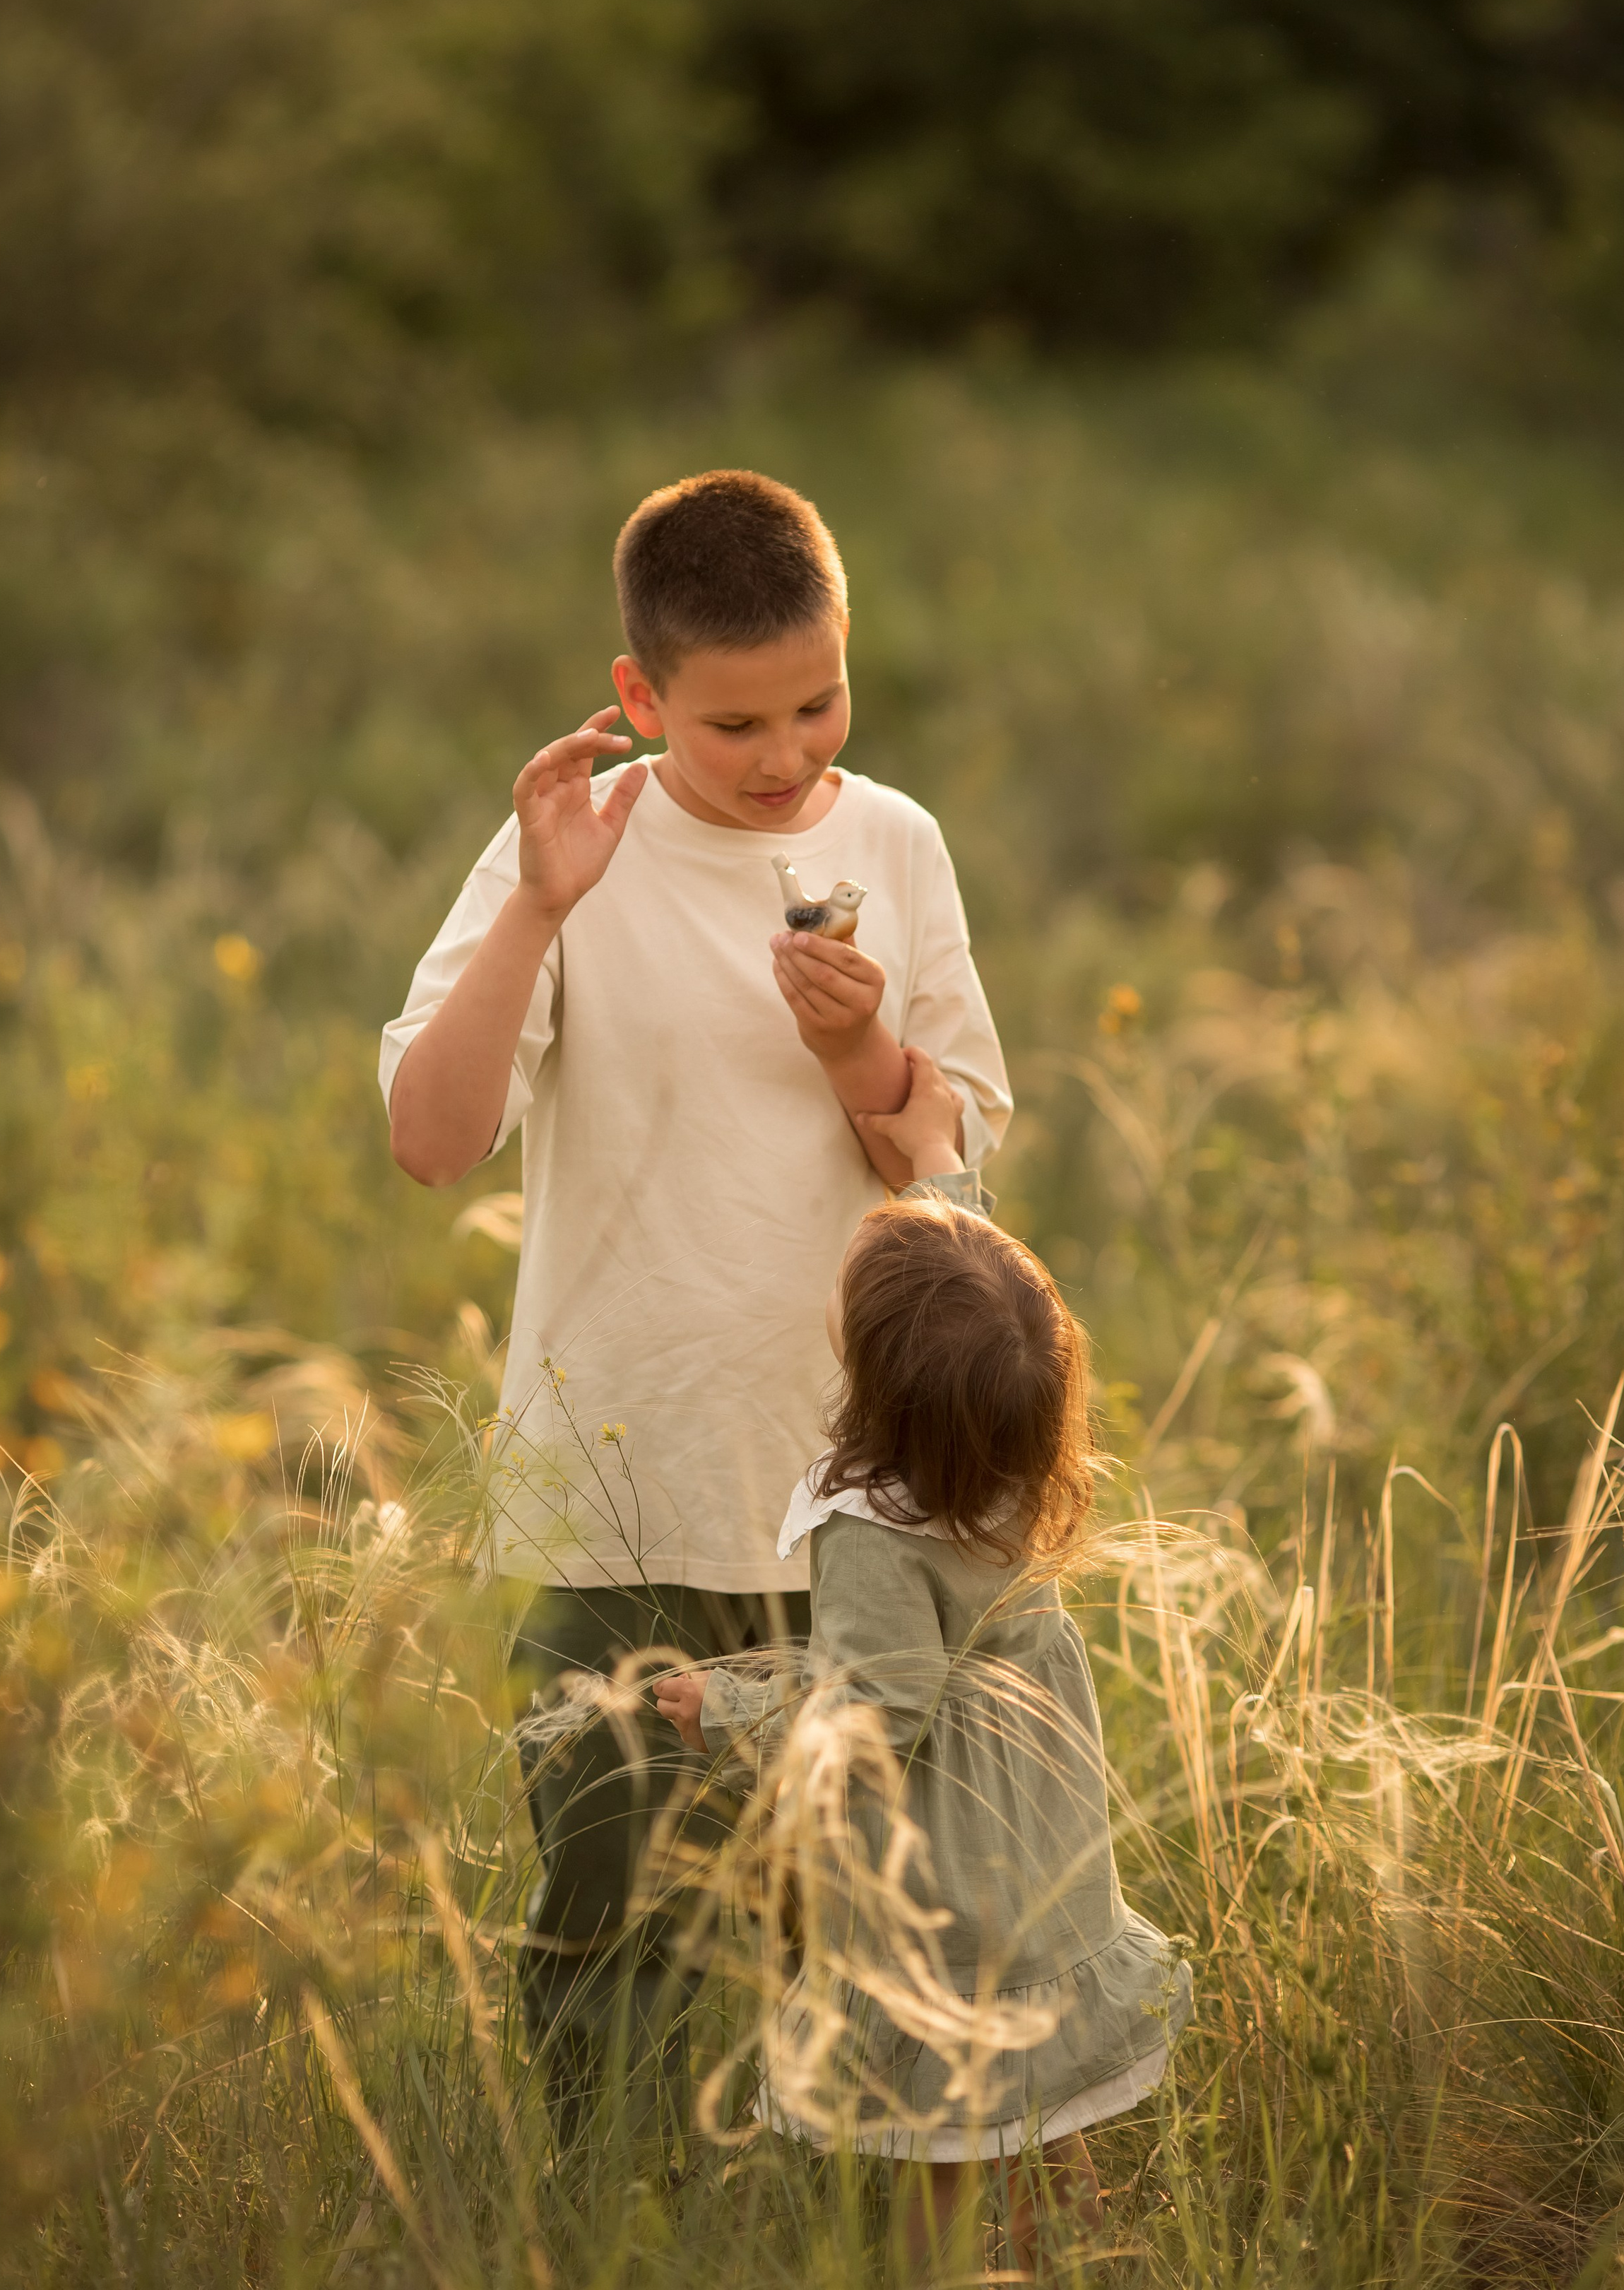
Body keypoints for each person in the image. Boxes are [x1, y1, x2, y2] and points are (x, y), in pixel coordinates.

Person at [379, 470, 1012, 2086]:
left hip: (854, 1502)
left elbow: (953, 1184)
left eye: (818, 703)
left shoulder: (895, 843)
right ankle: (611, 2205)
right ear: (640, 694)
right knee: (612, 1940)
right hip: (619, 1503)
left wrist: (860, 1052)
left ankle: (822, 2205)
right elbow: (432, 1140)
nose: (785, 755)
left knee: (853, 1942)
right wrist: (540, 906)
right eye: (734, 725)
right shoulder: (571, 853)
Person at [656, 1047, 1192, 2277]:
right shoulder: (1006, 1438)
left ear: (878, 1380)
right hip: (1045, 1853)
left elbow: (875, 1715)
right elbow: (985, 1304)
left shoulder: (872, 1532)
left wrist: (725, 1712)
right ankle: (1075, 2263)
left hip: (951, 1886)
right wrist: (941, 1164)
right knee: (1046, 2111)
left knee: (941, 2145)